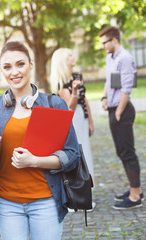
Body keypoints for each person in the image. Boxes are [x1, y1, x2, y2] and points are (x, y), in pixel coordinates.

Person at [0, 41, 80, 240]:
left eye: (20, 64)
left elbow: (72, 155)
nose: (14, 72)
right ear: (1, 70)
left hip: (45, 200)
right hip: (6, 202)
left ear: (31, 64)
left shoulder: (54, 104)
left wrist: (34, 161)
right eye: (7, 67)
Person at [99, 26, 143, 210]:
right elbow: (109, 81)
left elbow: (126, 87)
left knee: (127, 152)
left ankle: (135, 197)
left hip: (122, 110)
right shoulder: (111, 58)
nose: (103, 46)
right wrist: (104, 98)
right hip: (114, 108)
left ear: (114, 40)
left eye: (104, 42)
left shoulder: (125, 58)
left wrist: (118, 112)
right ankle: (136, 189)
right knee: (121, 151)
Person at [49, 48, 96, 211]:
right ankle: (75, 196)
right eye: (69, 55)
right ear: (63, 60)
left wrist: (90, 120)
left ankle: (86, 193)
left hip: (81, 119)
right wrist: (74, 91)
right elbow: (70, 106)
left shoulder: (77, 76)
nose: (73, 57)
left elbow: (84, 100)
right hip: (71, 121)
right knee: (77, 155)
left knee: (87, 154)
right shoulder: (60, 83)